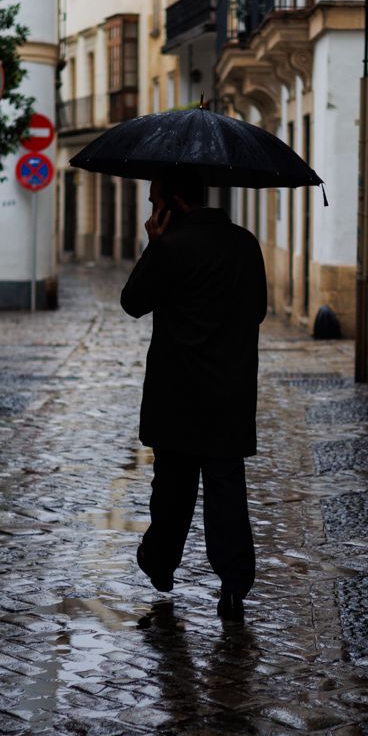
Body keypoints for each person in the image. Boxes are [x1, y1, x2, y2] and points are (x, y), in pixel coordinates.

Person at [120, 170, 268, 621]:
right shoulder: (245, 244)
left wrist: (153, 245)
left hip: (177, 394)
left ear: (174, 204)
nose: (151, 211)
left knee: (173, 490)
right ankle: (234, 585)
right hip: (229, 393)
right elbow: (258, 310)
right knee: (227, 491)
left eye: (153, 202)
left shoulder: (169, 248)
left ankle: (161, 564)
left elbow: (132, 301)